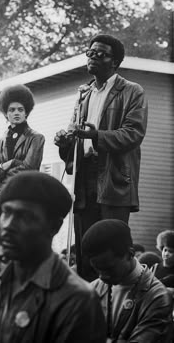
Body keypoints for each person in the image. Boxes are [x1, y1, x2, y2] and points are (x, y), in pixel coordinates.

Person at [0, 171, 106, 343]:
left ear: (54, 226)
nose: (9, 225)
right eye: (6, 212)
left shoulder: (77, 301)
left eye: (25, 216)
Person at [54, 34, 148, 281]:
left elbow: (133, 134)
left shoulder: (132, 91)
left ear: (114, 62)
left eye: (101, 54)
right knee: (86, 249)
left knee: (111, 250)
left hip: (113, 179)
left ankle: (114, 307)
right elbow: (76, 134)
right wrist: (66, 142)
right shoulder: (83, 94)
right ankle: (88, 308)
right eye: (90, 52)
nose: (93, 57)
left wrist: (95, 136)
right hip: (85, 179)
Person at [82, 219, 173, 342]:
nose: (102, 276)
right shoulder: (94, 288)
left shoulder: (158, 297)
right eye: (97, 270)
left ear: (130, 253)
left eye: (108, 269)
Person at [0, 84, 45, 224]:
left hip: (20, 201)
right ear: (6, 113)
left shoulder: (36, 138)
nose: (16, 113)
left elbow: (28, 169)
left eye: (20, 109)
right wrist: (7, 164)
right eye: (12, 110)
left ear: (26, 112)